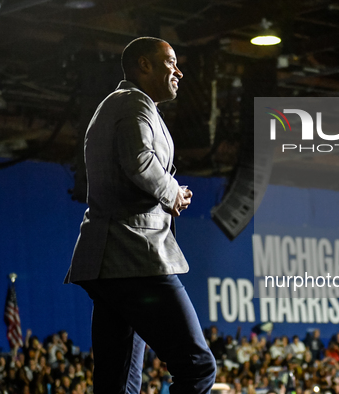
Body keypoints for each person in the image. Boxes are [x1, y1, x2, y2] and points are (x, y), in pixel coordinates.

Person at [64, 36, 216, 393]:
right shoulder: (135, 104)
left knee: (118, 384)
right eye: (170, 63)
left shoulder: (120, 105)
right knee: (197, 367)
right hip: (134, 256)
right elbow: (139, 162)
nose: (179, 71)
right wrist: (173, 193)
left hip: (107, 262)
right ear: (143, 65)